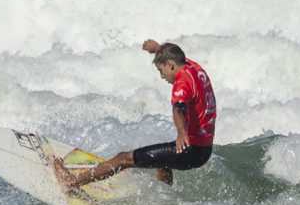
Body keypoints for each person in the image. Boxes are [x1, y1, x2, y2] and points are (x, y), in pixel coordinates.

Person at [53, 39, 216, 188]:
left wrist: (181, 133)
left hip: (191, 150)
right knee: (162, 159)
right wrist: (157, 49)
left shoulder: (181, 84)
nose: (162, 76)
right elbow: (175, 55)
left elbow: (178, 109)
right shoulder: (194, 68)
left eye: (161, 70)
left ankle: (71, 183)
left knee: (123, 158)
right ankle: (163, 197)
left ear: (170, 64)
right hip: (204, 149)